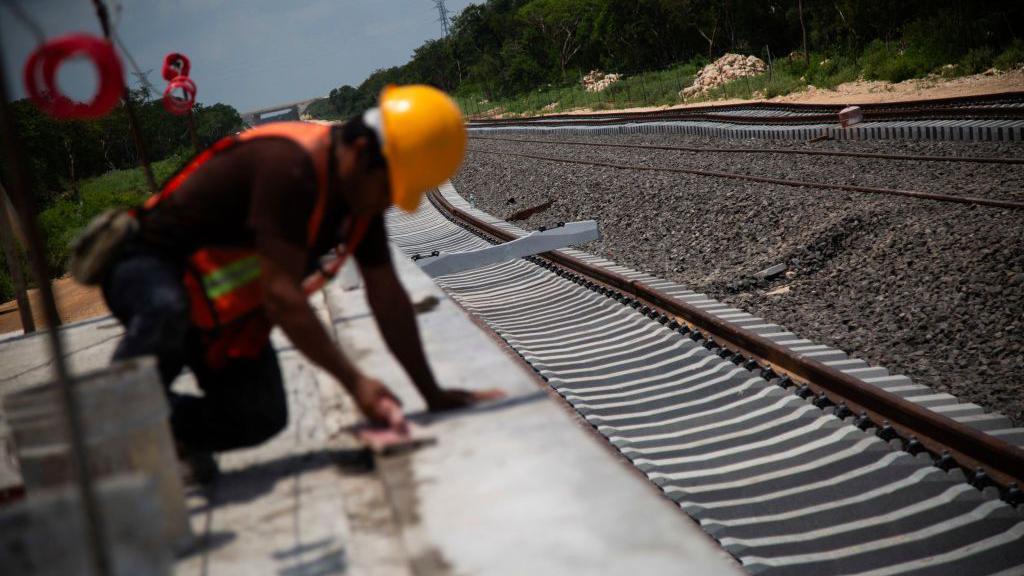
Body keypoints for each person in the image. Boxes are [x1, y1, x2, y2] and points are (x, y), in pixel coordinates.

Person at [101, 85, 497, 481]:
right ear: (361, 154)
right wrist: (356, 383)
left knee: (260, 415)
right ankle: (114, 410)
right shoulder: (290, 167)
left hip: (214, 303)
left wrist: (431, 393)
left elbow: (386, 293)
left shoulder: (360, 194)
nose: (389, 203)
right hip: (145, 266)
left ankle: (167, 433)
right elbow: (281, 297)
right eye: (390, 189)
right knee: (165, 310)